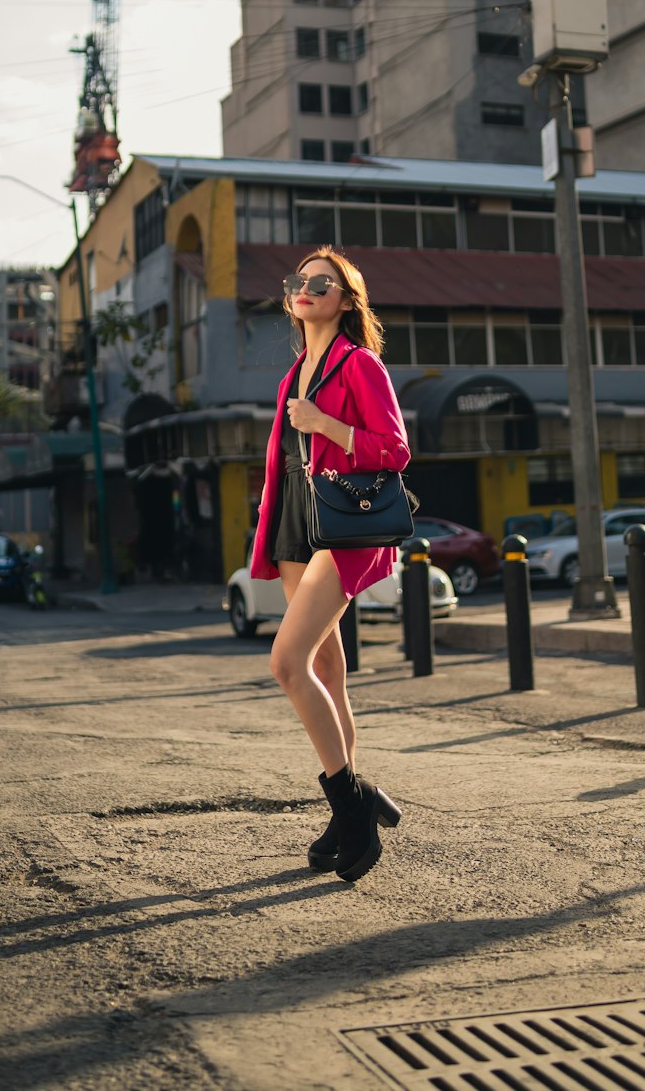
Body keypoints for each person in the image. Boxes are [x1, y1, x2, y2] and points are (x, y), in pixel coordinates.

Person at [250, 246, 410, 882]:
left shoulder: (359, 363)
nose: (308, 288)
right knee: (326, 671)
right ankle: (350, 807)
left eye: (325, 282)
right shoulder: (295, 373)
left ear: (347, 301)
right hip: (296, 513)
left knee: (286, 663)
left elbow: (394, 449)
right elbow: (285, 451)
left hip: (344, 522)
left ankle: (352, 807)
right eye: (301, 281)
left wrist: (326, 424)